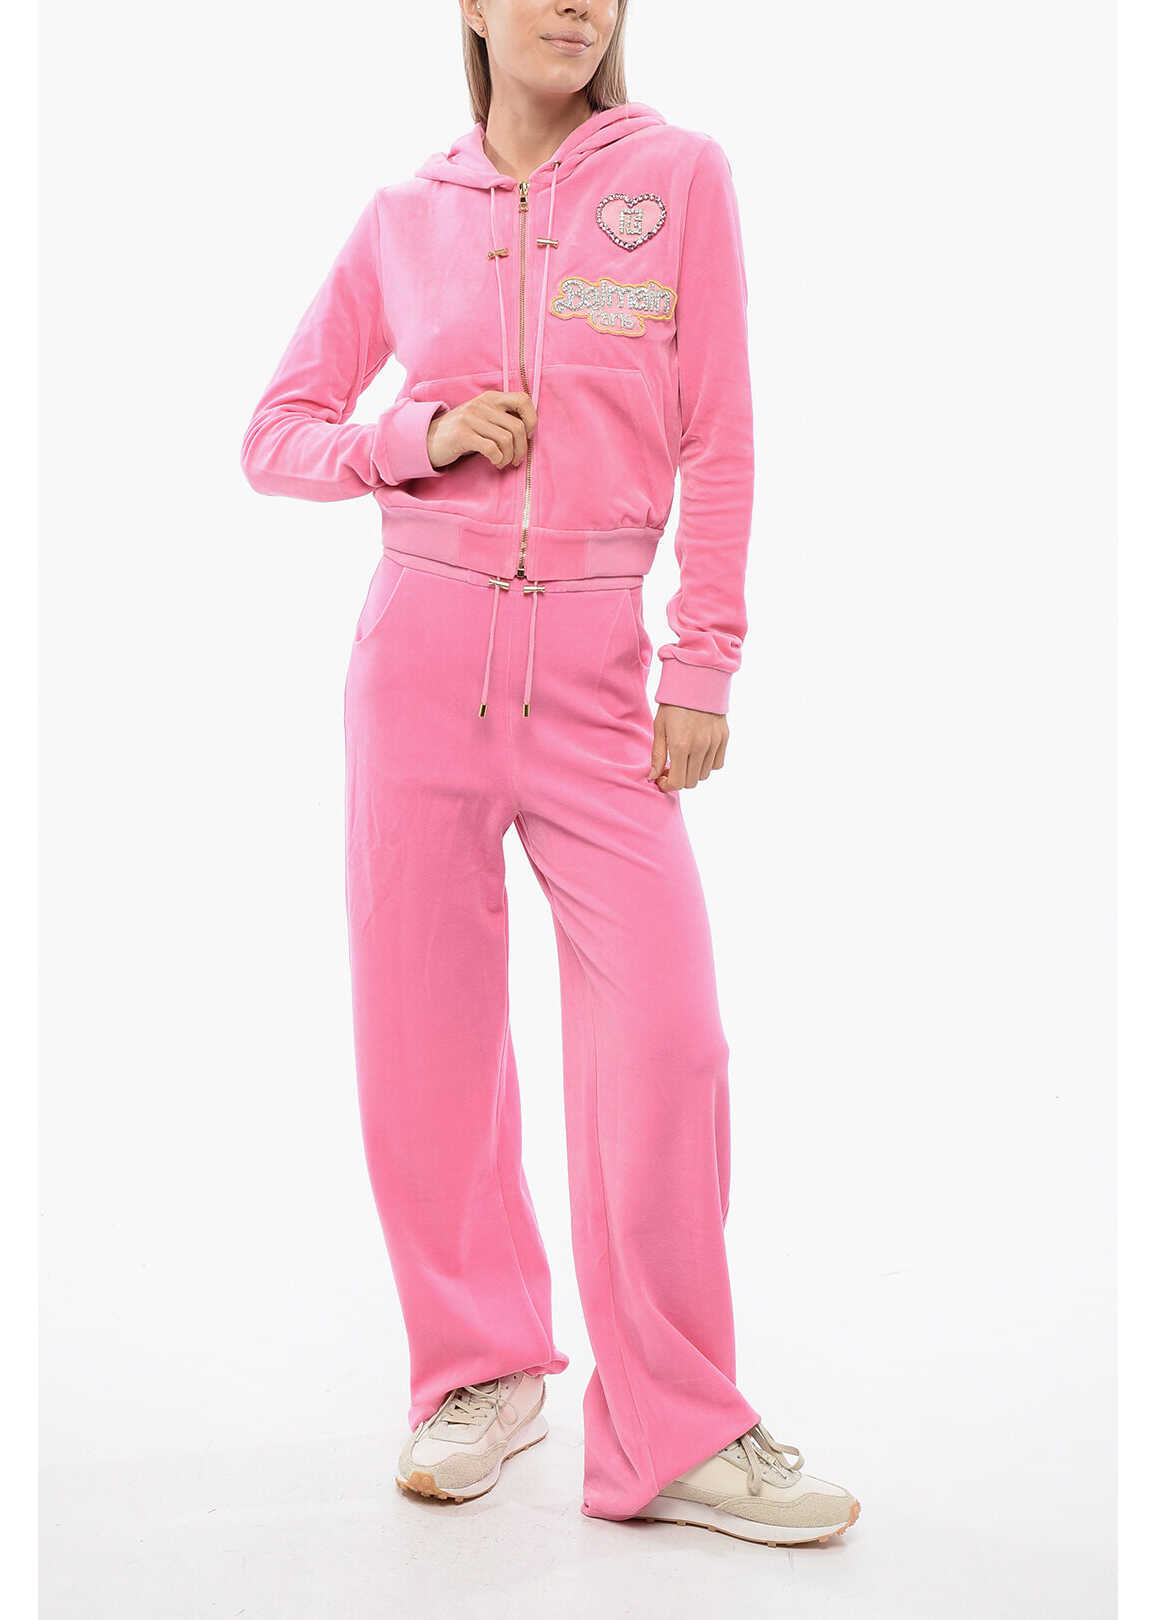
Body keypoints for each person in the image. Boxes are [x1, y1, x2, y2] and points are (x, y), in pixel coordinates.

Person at [241, 0, 860, 1548]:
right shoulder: (406, 211)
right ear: (471, 4)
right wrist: (417, 434)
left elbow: (720, 433)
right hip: (417, 665)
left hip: (596, 680)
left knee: (670, 1045)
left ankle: (672, 1428)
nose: (576, 4)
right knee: (425, 1046)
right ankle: (478, 1372)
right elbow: (276, 434)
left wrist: (701, 659)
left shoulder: (676, 176)